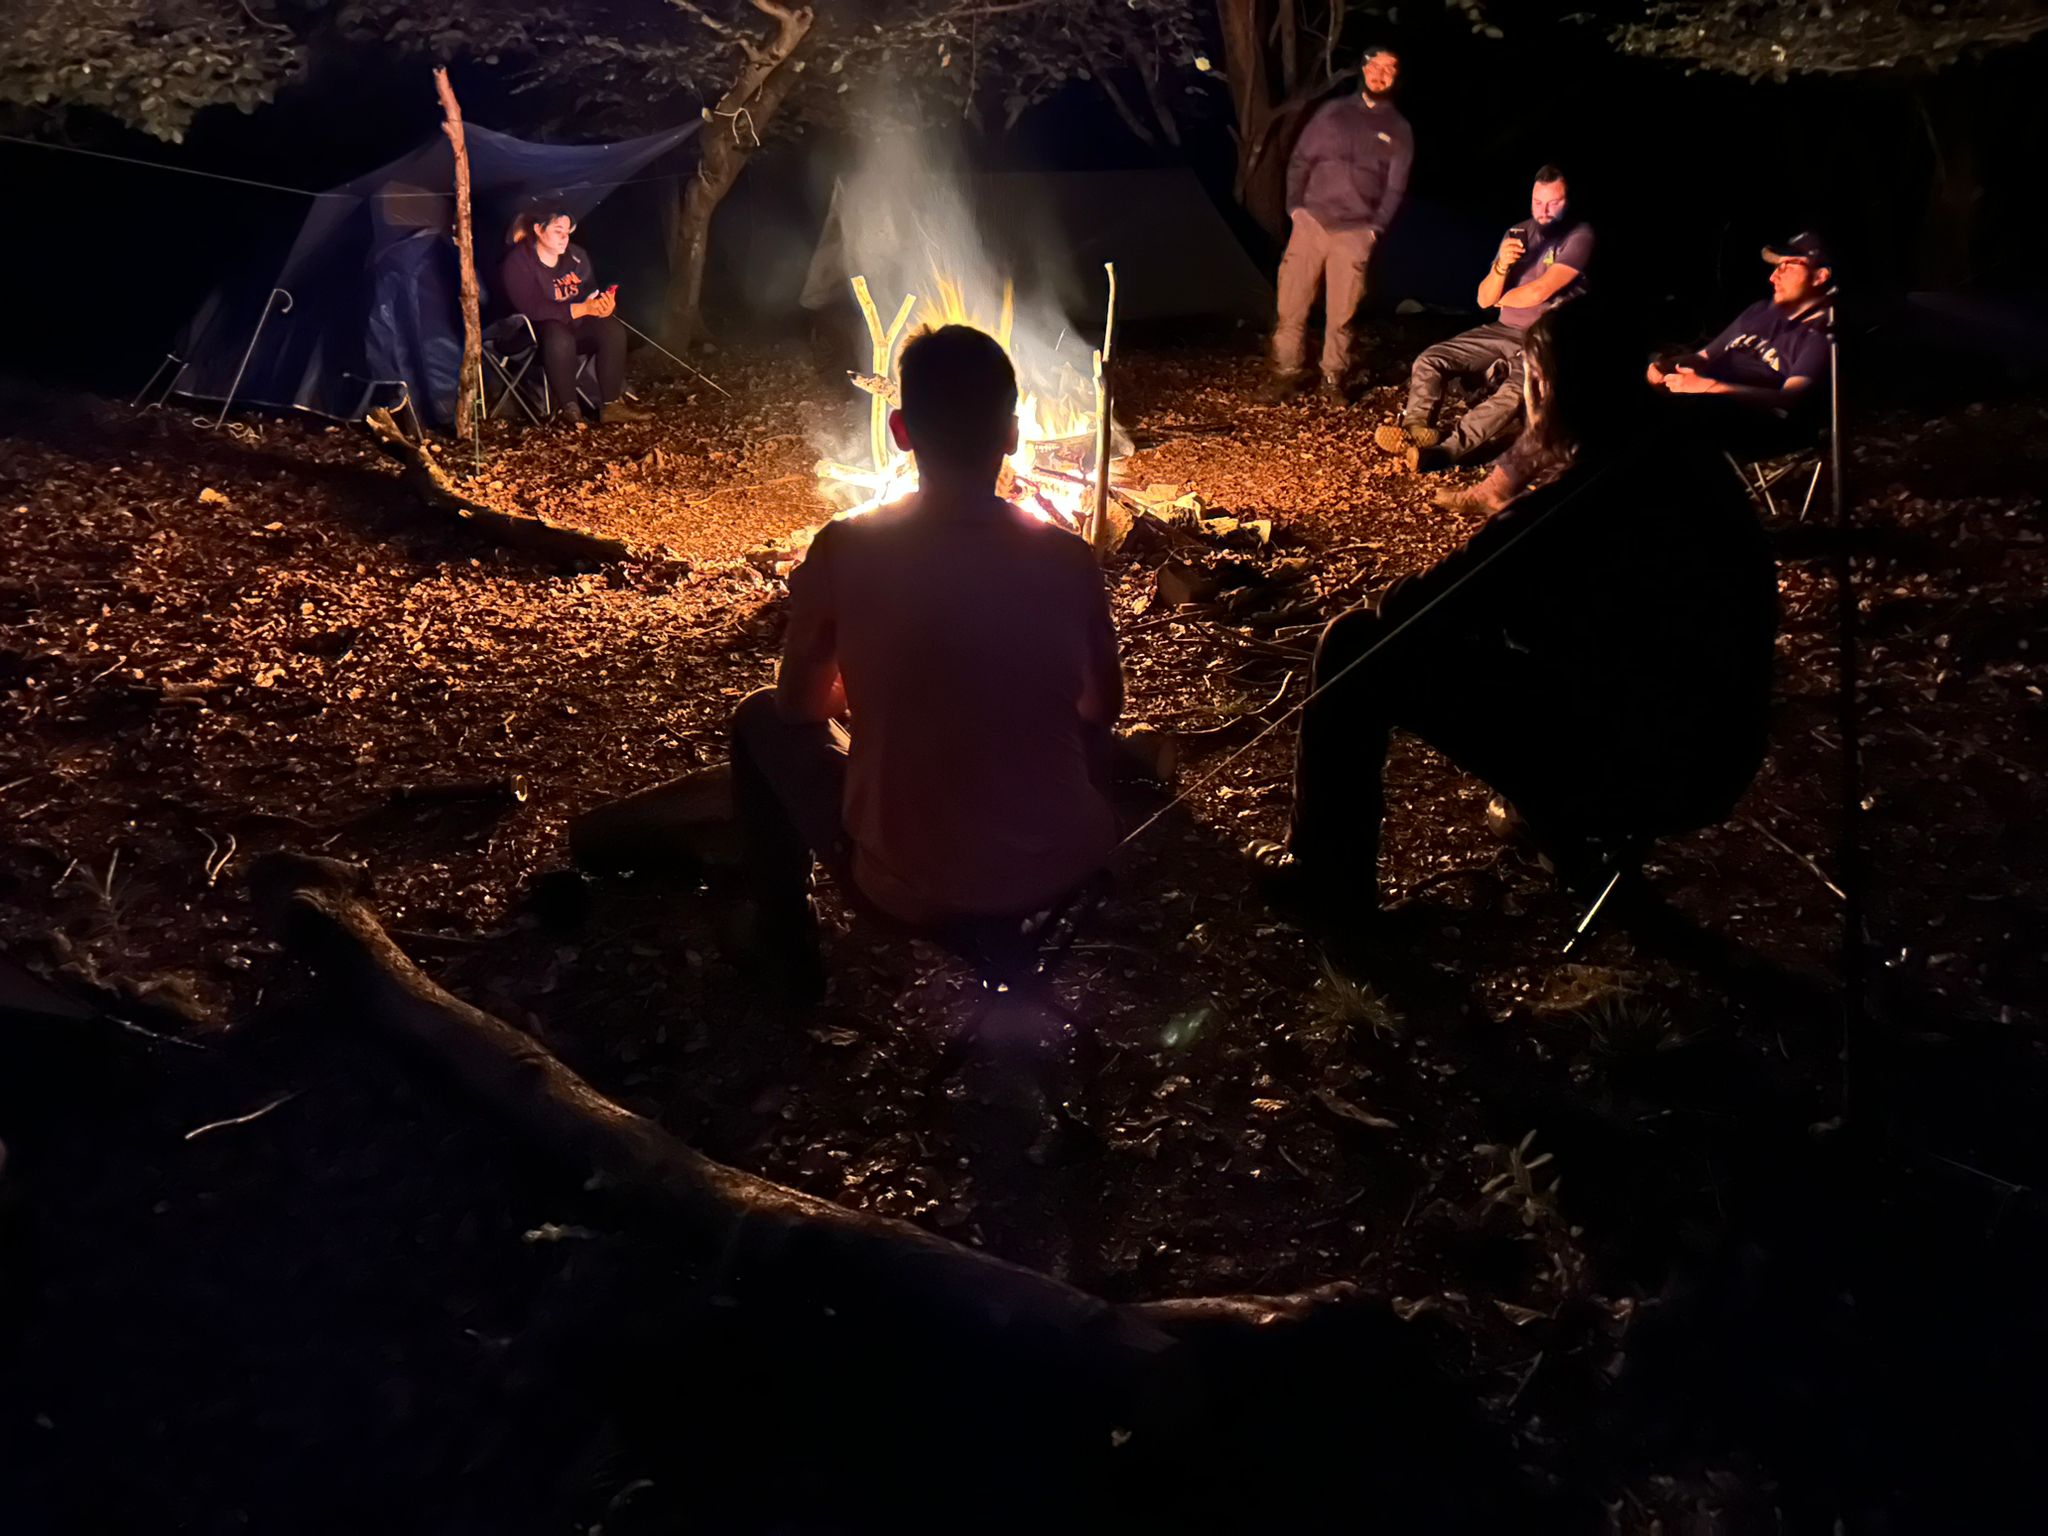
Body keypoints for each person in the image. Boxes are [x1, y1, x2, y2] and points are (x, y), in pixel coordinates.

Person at [1250, 302, 1778, 933]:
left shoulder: (1574, 503)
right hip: (1723, 753)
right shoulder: (1687, 460)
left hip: (1636, 767)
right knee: (1517, 639)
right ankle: (1552, 829)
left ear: (1546, 388)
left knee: (1352, 642)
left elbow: (1415, 608)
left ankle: (1325, 882)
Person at [728, 325, 1124, 999]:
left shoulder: (845, 549)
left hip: (907, 882)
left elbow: (798, 706)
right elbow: (1101, 707)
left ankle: (784, 945)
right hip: (1061, 864)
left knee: (759, 717)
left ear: (901, 431)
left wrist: (863, 693)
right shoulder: (1067, 558)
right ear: (1013, 435)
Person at [1374, 166, 1593, 471]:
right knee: (1432, 359)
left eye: (1553, 203)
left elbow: (1539, 292)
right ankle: (1415, 429)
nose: (1543, 211)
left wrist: (1498, 298)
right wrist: (1502, 266)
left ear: (1568, 202)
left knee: (1514, 393)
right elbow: (1482, 297)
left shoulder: (1579, 236)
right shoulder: (1518, 233)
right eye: (1537, 202)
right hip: (1506, 329)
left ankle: (1445, 452)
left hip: (1547, 337)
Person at [1261, 47, 1413, 406]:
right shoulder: (1332, 113)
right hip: (1312, 223)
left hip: (1355, 232)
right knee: (1291, 303)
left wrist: (1374, 229)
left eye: (1389, 69)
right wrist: (1295, 208)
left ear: (1395, 77)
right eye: (1375, 66)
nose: (1380, 74)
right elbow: (1300, 160)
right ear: (1364, 69)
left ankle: (1333, 377)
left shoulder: (1398, 129)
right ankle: (1286, 373)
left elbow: (1395, 188)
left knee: (1342, 313)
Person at [1650, 232, 1833, 458]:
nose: (1773, 277)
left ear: (1819, 276)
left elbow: (1789, 399)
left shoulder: (1821, 335)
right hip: (1706, 403)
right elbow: (1702, 357)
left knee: (1689, 424)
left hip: (1757, 423)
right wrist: (1665, 367)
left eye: (1788, 266)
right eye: (1777, 267)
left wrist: (1710, 387)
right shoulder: (1760, 311)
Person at [498, 206, 647, 424]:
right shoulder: (518, 262)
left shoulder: (576, 256)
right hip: (530, 337)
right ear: (538, 230)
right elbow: (532, 308)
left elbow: (590, 293)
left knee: (611, 329)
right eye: (558, 231)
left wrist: (603, 307)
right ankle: (569, 410)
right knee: (557, 333)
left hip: (574, 328)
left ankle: (612, 405)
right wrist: (581, 310)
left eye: (567, 232)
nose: (564, 238)